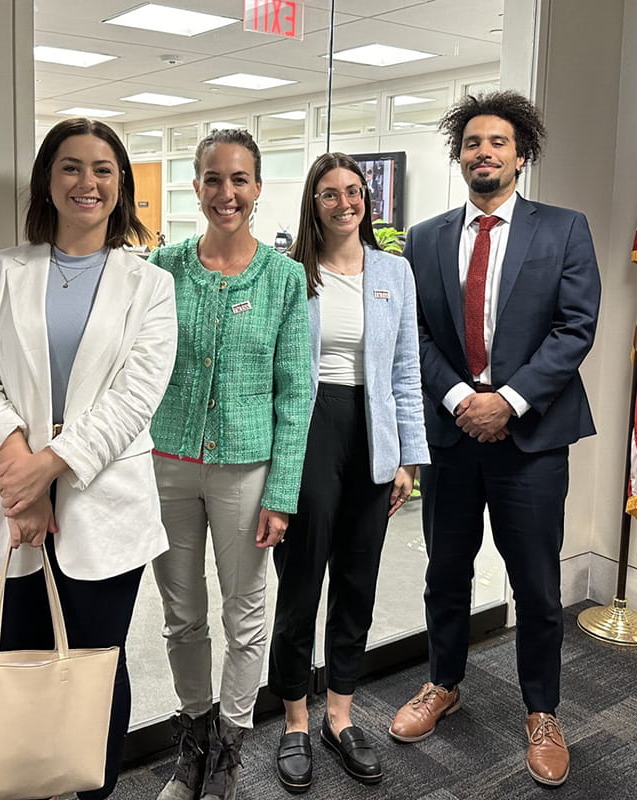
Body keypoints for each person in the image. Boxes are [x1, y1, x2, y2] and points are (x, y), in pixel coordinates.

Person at [0, 117, 177, 799]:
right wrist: (21, 470)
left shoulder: (149, 283)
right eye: (72, 166)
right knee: (15, 667)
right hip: (4, 497)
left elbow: (137, 397)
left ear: (122, 186)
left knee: (93, 673)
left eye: (104, 169)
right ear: (49, 181)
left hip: (104, 503)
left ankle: (91, 792)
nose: (88, 182)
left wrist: (49, 467)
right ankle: (23, 786)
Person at [390, 91, 601, 789]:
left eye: (499, 142)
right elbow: (412, 334)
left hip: (531, 439)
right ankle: (443, 683)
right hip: (453, 438)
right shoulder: (422, 239)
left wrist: (506, 401)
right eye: (473, 142)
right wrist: (459, 398)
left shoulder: (564, 229)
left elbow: (575, 327)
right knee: (444, 573)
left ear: (521, 154)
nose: (485, 152)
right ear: (459, 155)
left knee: (537, 585)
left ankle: (542, 710)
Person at [148, 128, 312, 800]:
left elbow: (296, 391)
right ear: (196, 186)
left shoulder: (284, 278)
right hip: (166, 466)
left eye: (239, 179)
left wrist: (283, 492)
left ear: (258, 187)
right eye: (214, 179)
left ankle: (228, 755)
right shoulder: (162, 267)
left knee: (245, 615)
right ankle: (193, 740)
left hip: (247, 470)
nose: (227, 193)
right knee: (181, 614)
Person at [268, 153, 429, 794]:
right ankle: (295, 722)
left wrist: (408, 458)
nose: (345, 202)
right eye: (331, 193)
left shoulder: (395, 270)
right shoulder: (289, 274)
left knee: (358, 580)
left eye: (355, 192)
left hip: (374, 431)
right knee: (301, 581)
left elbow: (406, 372)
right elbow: (277, 373)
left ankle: (340, 715)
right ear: (313, 203)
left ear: (368, 200)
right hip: (311, 430)